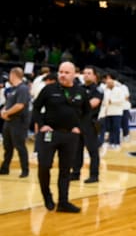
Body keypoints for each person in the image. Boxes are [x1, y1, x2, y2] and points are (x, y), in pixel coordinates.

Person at [33, 61, 89, 213]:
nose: (63, 75)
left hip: (70, 135)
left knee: (65, 170)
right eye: (61, 72)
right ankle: (47, 195)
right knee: (44, 166)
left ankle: (63, 202)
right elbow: (36, 108)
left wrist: (79, 128)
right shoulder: (49, 89)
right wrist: (41, 124)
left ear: (74, 75)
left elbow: (87, 113)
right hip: (50, 133)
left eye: (66, 72)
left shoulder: (80, 92)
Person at [70, 65, 103, 183]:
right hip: (78, 123)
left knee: (92, 150)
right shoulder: (79, 88)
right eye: (85, 73)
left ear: (94, 76)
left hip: (90, 123)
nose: (86, 75)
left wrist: (78, 104)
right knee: (76, 149)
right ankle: (75, 173)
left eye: (89, 73)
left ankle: (94, 175)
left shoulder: (97, 90)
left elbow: (93, 103)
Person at [0, 67, 32, 178]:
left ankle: (25, 170)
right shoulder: (13, 89)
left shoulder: (22, 88)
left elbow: (20, 105)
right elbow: (7, 104)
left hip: (19, 122)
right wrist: (3, 111)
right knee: (7, 146)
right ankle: (5, 168)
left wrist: (7, 113)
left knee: (19, 146)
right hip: (9, 122)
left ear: (13, 75)